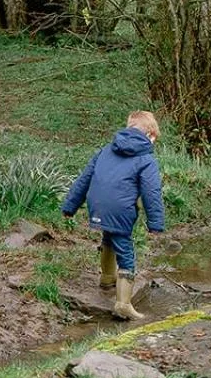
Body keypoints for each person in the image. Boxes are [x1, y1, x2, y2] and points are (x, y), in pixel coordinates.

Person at [61, 110, 164, 321]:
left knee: (109, 235)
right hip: (120, 208)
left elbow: (85, 178)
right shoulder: (146, 159)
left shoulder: (106, 149)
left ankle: (107, 278)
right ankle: (123, 304)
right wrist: (155, 223)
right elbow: (151, 192)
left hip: (97, 205)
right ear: (151, 135)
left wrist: (70, 206)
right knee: (125, 249)